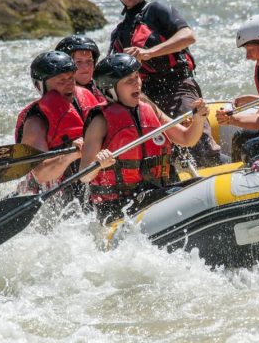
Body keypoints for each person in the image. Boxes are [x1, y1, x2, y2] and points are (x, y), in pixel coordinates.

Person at [107, 0, 221, 167]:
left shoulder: (157, 10)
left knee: (202, 148)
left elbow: (188, 36)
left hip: (178, 86)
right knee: (166, 155)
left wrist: (149, 53)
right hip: (146, 96)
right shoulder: (119, 32)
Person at [79, 53, 210, 221]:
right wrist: (98, 163)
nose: (137, 84)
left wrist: (199, 119)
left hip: (154, 192)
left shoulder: (148, 107)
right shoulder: (100, 121)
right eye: (129, 81)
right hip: (119, 206)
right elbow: (84, 175)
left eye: (137, 77)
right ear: (110, 90)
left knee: (198, 187)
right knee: (188, 193)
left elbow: (186, 139)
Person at [14, 51, 93, 196]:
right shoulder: (35, 122)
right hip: (55, 197)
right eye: (61, 80)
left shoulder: (85, 98)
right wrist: (71, 155)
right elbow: (41, 174)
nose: (69, 85)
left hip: (89, 185)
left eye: (71, 78)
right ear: (41, 85)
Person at [215, 15, 259, 162]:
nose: (248, 57)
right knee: (239, 138)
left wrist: (231, 119)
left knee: (250, 148)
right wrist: (254, 100)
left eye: (250, 49)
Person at [55, 34, 107, 107]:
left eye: (89, 61)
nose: (85, 67)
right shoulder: (62, 96)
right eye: (78, 62)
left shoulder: (103, 88)